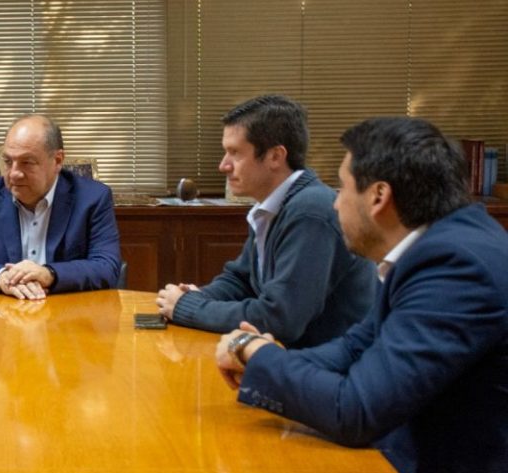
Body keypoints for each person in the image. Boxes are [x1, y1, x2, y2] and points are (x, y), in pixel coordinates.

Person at [215, 117, 508, 473]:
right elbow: (356, 346)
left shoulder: (455, 267)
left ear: (378, 197)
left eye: (342, 188)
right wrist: (264, 359)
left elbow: (357, 410)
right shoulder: (441, 244)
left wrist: (255, 354)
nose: (334, 204)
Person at [156, 95, 375, 348]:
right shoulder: (275, 204)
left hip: (328, 369)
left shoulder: (310, 211)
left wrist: (190, 308)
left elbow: (280, 318)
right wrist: (197, 297)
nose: (222, 166)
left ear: (275, 156)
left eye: (234, 153)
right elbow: (240, 280)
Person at [0, 114, 121, 300]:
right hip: (2, 316)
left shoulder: (92, 198)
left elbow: (106, 267)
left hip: (67, 315)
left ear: (58, 161)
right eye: (8, 161)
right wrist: (2, 278)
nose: (14, 174)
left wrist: (49, 274)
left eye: (27, 162)